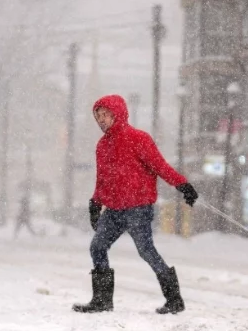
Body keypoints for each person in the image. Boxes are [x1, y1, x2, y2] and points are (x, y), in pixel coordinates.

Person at [72, 94, 199, 315]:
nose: (101, 120)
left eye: (106, 115)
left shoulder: (138, 138)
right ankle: (102, 300)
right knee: (97, 247)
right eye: (98, 116)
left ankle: (174, 299)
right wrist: (95, 203)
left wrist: (182, 185)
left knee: (146, 250)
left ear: (117, 114)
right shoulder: (102, 146)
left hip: (138, 207)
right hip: (113, 210)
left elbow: (160, 166)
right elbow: (102, 179)